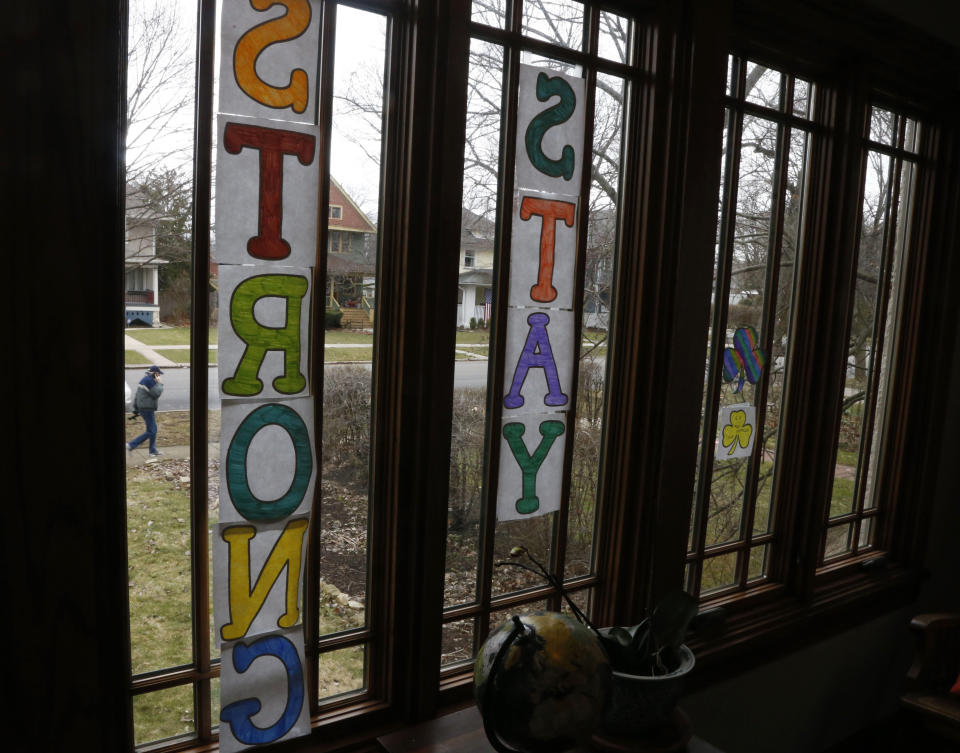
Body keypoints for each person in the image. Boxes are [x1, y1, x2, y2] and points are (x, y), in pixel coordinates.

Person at [127, 365, 165, 456]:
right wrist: (159, 383)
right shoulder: (150, 381)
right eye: (159, 374)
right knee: (152, 431)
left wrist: (136, 409)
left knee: (152, 430)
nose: (159, 376)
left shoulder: (144, 379)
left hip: (143, 408)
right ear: (155, 373)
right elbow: (156, 394)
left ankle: (152, 451)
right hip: (147, 408)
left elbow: (137, 395)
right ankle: (131, 445)